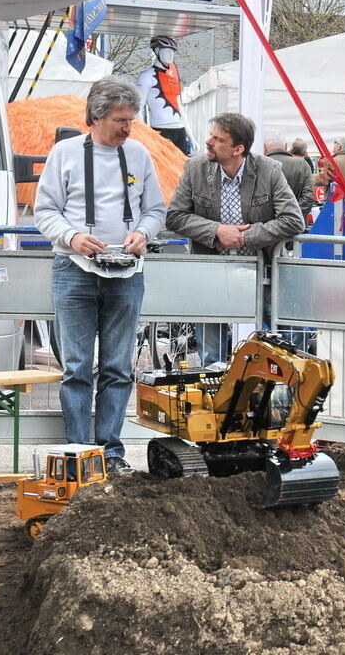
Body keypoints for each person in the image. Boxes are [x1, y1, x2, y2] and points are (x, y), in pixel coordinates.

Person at [34, 76, 166, 476]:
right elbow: (45, 211)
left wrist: (143, 233)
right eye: (120, 120)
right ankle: (79, 452)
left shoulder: (140, 155)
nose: (128, 128)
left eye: (131, 120)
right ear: (96, 116)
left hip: (126, 271)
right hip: (73, 269)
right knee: (75, 367)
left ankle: (110, 451)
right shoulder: (65, 153)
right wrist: (72, 236)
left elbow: (156, 210)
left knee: (117, 366)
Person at [166, 112, 305, 365]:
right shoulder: (195, 168)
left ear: (238, 149)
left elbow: (294, 220)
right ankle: (218, 400)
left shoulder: (269, 170)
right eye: (211, 136)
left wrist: (245, 237)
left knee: (292, 344)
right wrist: (217, 231)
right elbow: (175, 216)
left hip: (262, 272)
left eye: (218, 139)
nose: (208, 142)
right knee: (211, 355)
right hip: (213, 273)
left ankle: (289, 398)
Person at [136, 35, 191, 154]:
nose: (170, 56)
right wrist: (144, 134)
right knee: (163, 170)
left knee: (183, 169)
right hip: (161, 130)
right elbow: (139, 107)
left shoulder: (173, 78)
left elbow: (180, 108)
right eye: (167, 51)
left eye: (172, 52)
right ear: (157, 51)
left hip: (180, 129)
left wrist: (191, 137)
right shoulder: (147, 76)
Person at [264, 132, 316, 219]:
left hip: (266, 227)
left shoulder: (257, 165)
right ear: (285, 146)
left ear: (265, 147)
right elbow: (309, 197)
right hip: (295, 225)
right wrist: (292, 217)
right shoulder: (302, 164)